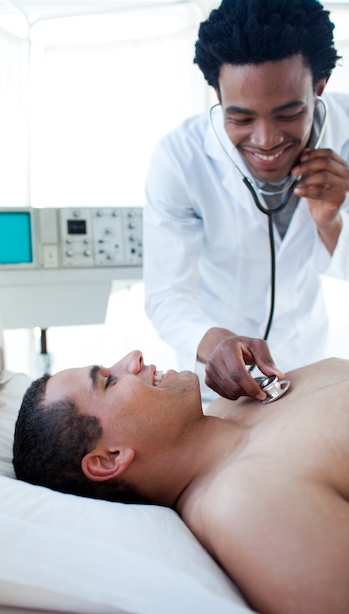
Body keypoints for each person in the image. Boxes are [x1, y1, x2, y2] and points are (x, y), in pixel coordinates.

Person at [13, 350, 349, 614]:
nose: (134, 358)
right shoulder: (245, 506)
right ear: (108, 460)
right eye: (109, 381)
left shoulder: (231, 404)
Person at [143, 0, 349, 402]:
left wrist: (330, 221)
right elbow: (167, 295)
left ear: (319, 85)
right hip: (215, 379)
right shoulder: (179, 160)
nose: (266, 139)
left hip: (307, 362)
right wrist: (211, 341)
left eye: (288, 113)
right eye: (240, 119)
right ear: (217, 94)